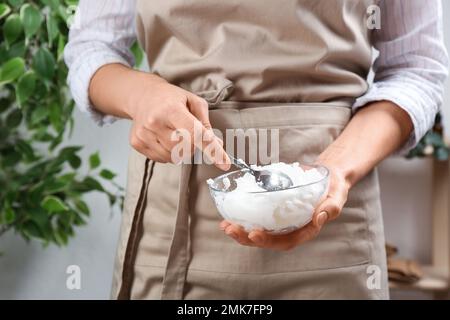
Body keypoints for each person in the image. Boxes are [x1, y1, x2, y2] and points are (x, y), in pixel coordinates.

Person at [65, 0, 449, 299]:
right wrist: (139, 94)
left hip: (332, 213)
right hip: (174, 217)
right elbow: (91, 48)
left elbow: (417, 70)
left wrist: (337, 171)